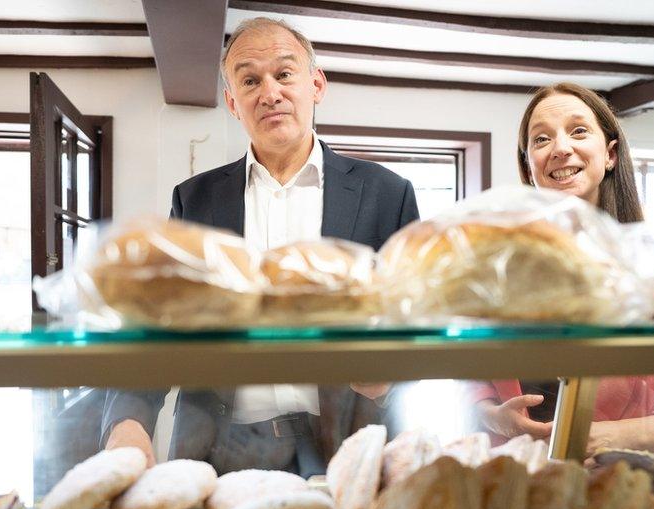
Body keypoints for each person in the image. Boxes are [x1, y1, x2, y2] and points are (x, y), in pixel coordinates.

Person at [100, 17, 419, 476]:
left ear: (316, 84)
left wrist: (389, 381)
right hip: (218, 452)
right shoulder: (194, 199)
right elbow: (155, 326)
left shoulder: (388, 194)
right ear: (232, 102)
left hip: (350, 448)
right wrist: (126, 423)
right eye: (250, 80)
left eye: (284, 74)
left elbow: (417, 325)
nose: (269, 93)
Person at [470, 82, 654, 455]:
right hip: (511, 476)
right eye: (541, 140)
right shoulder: (493, 268)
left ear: (609, 154)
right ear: (528, 165)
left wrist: (614, 436)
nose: (561, 148)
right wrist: (491, 414)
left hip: (619, 478)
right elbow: (468, 372)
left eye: (578, 131)